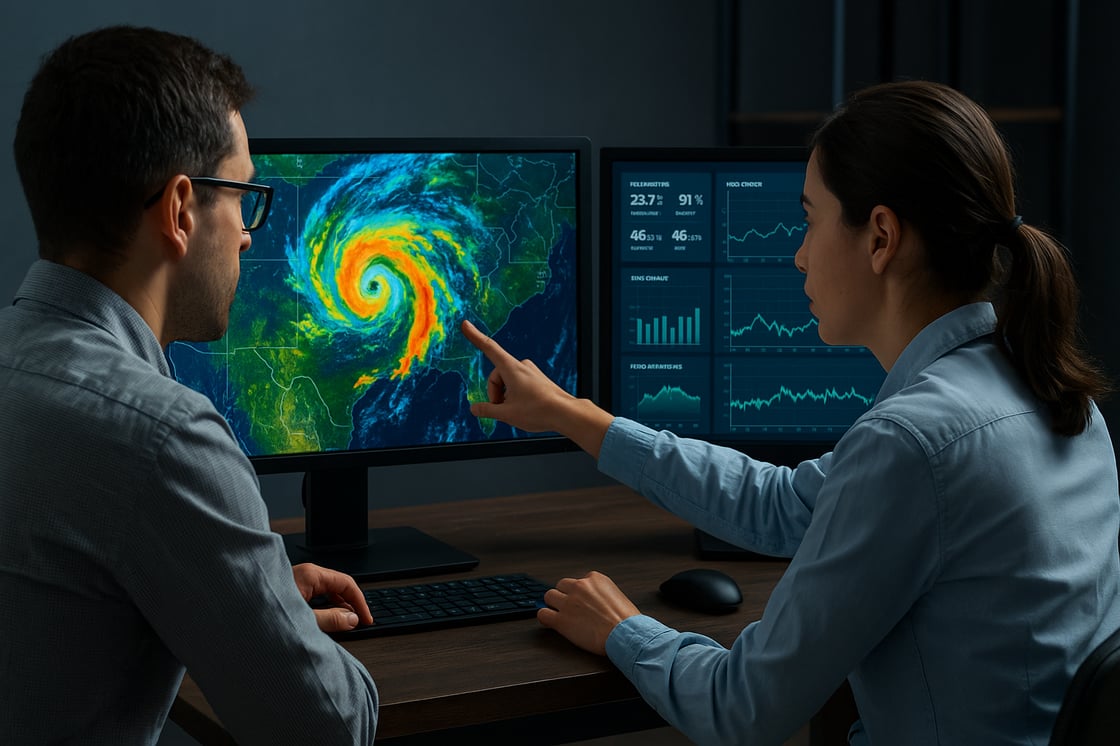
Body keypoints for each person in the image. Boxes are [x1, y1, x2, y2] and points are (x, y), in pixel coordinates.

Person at [460, 80, 1120, 745]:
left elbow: (740, 710)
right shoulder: (1057, 396)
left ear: (881, 237)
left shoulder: (912, 443)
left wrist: (623, 630)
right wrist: (574, 415)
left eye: (808, 217)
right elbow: (783, 505)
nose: (799, 252)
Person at [0, 26, 377, 744]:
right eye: (243, 197)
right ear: (179, 210)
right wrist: (280, 619)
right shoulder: (163, 439)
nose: (246, 233)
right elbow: (332, 730)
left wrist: (234, 599)